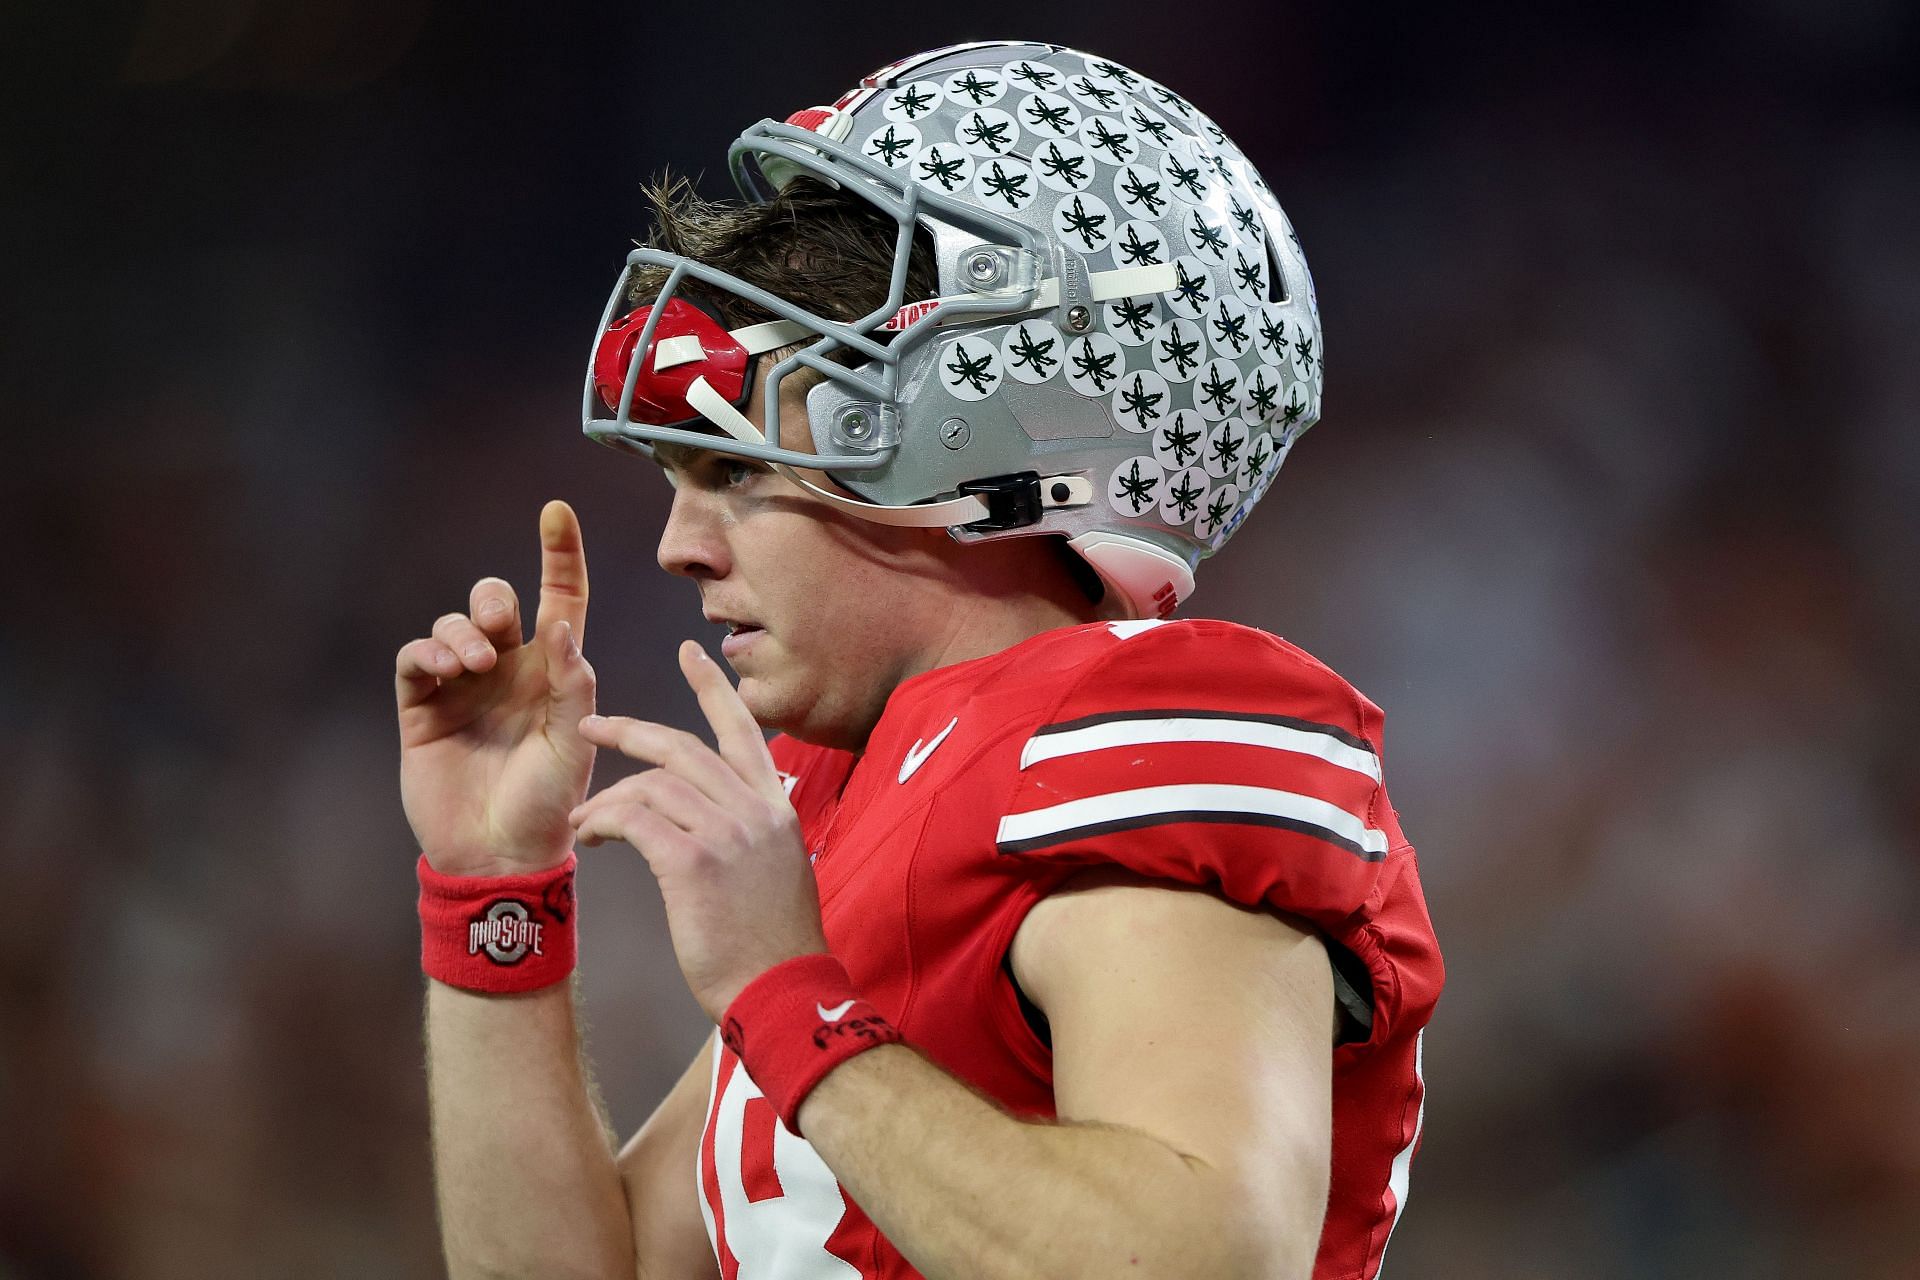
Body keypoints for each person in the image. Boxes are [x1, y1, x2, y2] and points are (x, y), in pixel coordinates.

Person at [395, 41, 1442, 1280]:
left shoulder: (1124, 732)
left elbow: (1193, 1257)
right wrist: (496, 890)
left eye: (733, 467)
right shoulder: (853, 788)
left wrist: (788, 994)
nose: (678, 546)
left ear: (964, 426)